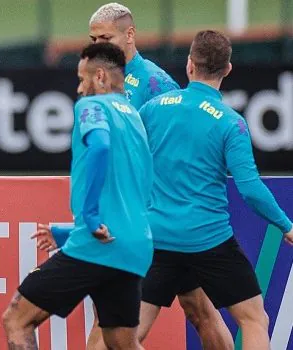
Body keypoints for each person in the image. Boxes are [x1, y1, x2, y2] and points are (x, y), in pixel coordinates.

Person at [84, 3, 233, 349]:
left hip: (147, 216)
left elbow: (178, 145)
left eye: (105, 37)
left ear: (130, 35)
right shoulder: (100, 78)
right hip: (120, 208)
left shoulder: (155, 81)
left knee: (119, 320)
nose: (97, 45)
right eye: (93, 38)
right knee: (198, 308)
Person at [138, 29, 293, 349]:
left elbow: (129, 164)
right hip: (208, 240)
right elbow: (250, 189)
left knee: (129, 332)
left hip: (159, 238)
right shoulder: (230, 122)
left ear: (189, 65)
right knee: (253, 320)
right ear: (228, 69)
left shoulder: (153, 108)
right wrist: (286, 226)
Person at [2, 42, 153, 350]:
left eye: (83, 78)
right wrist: (67, 230)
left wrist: (90, 219)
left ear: (100, 77)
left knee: (16, 319)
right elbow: (136, 197)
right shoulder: (135, 119)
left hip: (97, 245)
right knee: (121, 341)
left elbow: (99, 146)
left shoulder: (92, 106)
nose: (79, 87)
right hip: (134, 246)